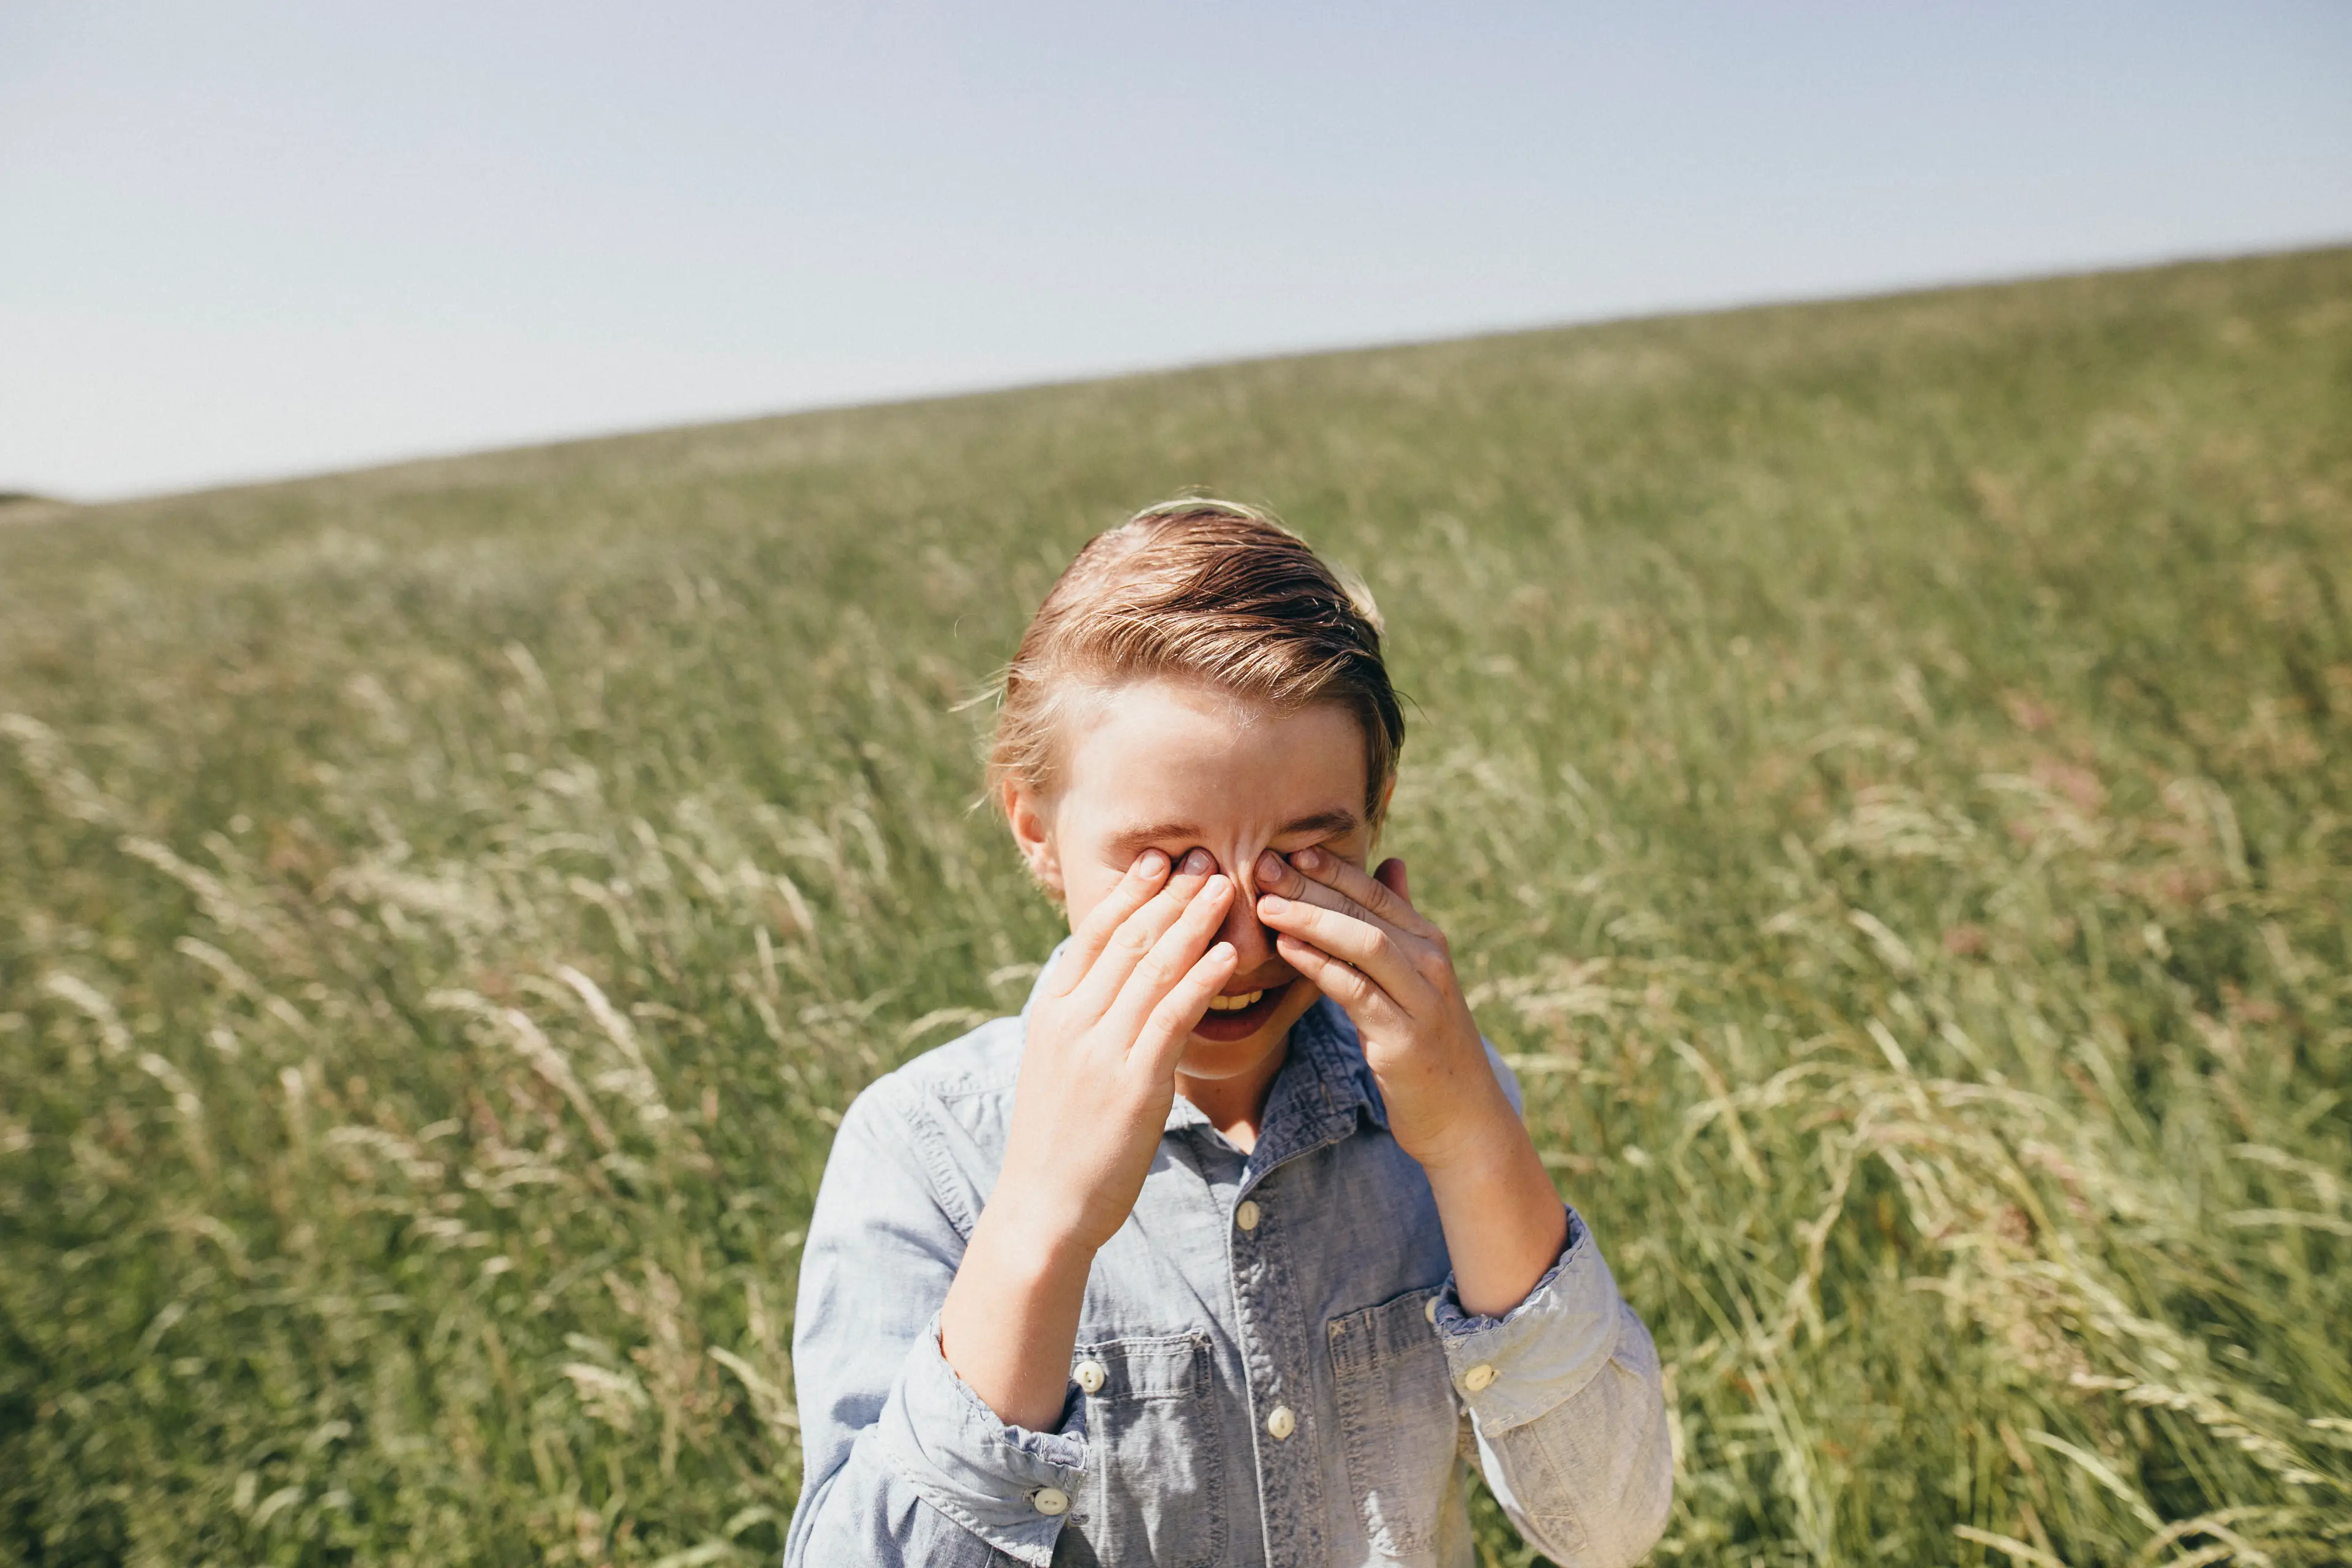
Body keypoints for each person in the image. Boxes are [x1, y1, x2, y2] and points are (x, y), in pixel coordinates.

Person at [784, 500, 1672, 1567]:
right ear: (1037, 832)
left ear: (1375, 808)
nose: (1244, 937)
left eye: (1307, 849)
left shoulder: (1441, 1097)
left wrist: (1474, 1139)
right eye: (1167, 860)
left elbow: (1610, 1528)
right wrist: (1040, 1225)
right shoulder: (925, 1150)